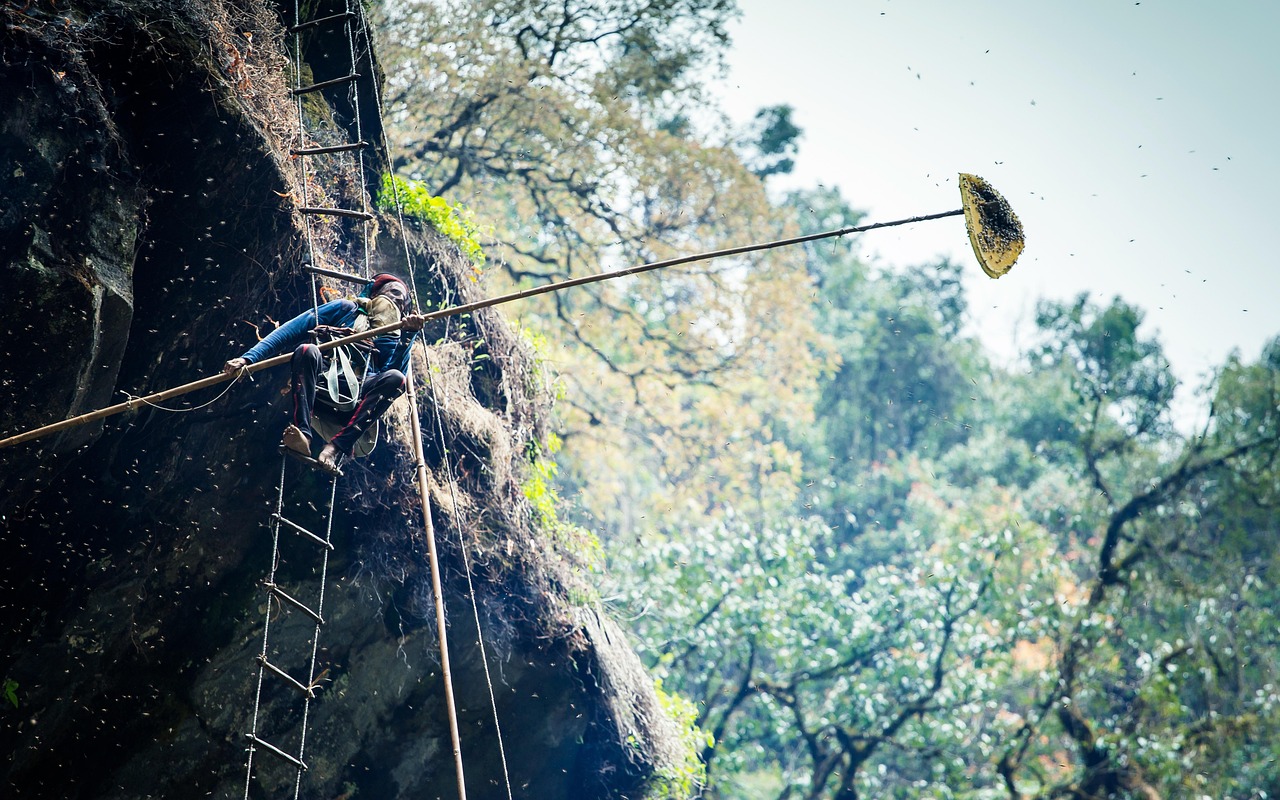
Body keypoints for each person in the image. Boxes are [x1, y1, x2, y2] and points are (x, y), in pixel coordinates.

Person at [223, 273, 426, 473]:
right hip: (320, 386)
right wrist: (248, 358)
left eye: (402, 301)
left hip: (355, 400)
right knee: (306, 350)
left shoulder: (394, 338)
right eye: (393, 293)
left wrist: (407, 337)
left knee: (397, 379)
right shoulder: (346, 310)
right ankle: (303, 434)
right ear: (375, 295)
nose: (397, 299)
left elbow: (393, 381)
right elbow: (291, 329)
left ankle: (335, 449)